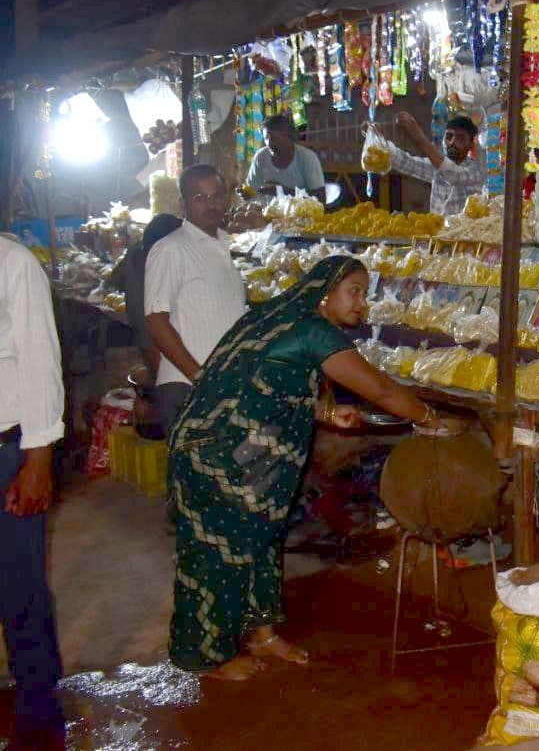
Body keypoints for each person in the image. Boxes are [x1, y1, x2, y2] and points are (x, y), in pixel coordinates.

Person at [167, 256, 438, 681]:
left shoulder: (275, 315)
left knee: (259, 540)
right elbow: (382, 390)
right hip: (217, 453)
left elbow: (263, 383)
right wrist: (429, 417)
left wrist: (326, 414)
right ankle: (204, 656)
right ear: (326, 290)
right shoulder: (312, 330)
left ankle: (260, 633)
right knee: (217, 552)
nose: (361, 304)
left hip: (243, 452)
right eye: (355, 291)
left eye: (365, 294)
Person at [0, 235, 66, 746]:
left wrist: (38, 458)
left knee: (17, 584)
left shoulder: (13, 262)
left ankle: (39, 704)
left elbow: (40, 361)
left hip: (8, 451)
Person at [145, 165, 247, 434]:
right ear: (183, 204)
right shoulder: (171, 249)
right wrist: (199, 376)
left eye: (216, 196)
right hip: (187, 386)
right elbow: (156, 321)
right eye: (200, 198)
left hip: (223, 384)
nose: (210, 204)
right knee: (193, 473)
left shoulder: (225, 246)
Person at [112, 213, 183, 377]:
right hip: (154, 340)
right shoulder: (142, 267)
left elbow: (115, 279)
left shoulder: (140, 250)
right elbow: (148, 332)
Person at [392, 112, 485, 216]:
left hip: (464, 232)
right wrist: (379, 143)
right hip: (439, 231)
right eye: (448, 136)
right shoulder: (436, 166)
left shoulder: (475, 171)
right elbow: (408, 163)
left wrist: (418, 137)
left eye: (460, 138)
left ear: (471, 144)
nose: (452, 142)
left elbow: (453, 174)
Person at [245, 115, 325, 196]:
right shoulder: (261, 156)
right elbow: (252, 188)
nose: (269, 143)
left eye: (273, 138)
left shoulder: (307, 157)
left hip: (299, 209)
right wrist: (246, 193)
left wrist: (283, 191)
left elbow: (320, 198)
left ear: (288, 137)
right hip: (268, 208)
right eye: (266, 138)